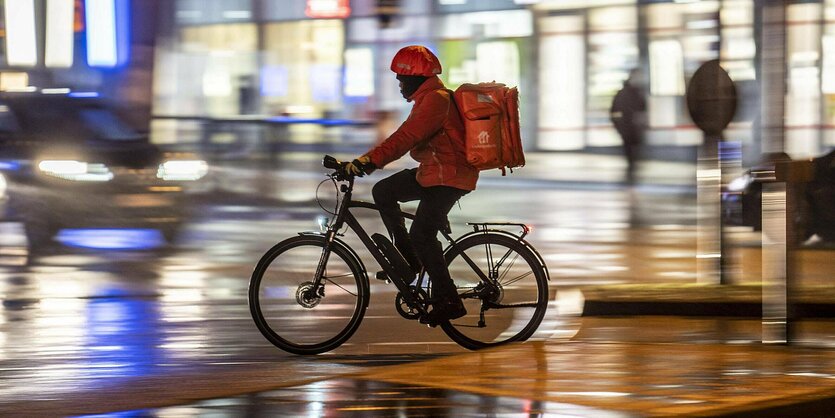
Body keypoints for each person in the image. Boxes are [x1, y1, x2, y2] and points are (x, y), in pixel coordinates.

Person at [345, 45, 478, 324]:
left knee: (422, 234)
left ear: (416, 77)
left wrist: (368, 161)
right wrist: (369, 161)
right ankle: (410, 263)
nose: (398, 83)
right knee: (383, 191)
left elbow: (405, 137)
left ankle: (450, 300)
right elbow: (407, 138)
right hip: (434, 172)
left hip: (450, 176)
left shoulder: (436, 100)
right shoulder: (427, 98)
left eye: (401, 78)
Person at [610, 68, 647, 185]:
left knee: (635, 155)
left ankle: (631, 176)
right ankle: (630, 177)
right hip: (627, 131)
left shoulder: (639, 93)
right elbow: (615, 111)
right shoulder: (623, 94)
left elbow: (643, 111)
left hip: (636, 131)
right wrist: (620, 127)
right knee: (630, 155)